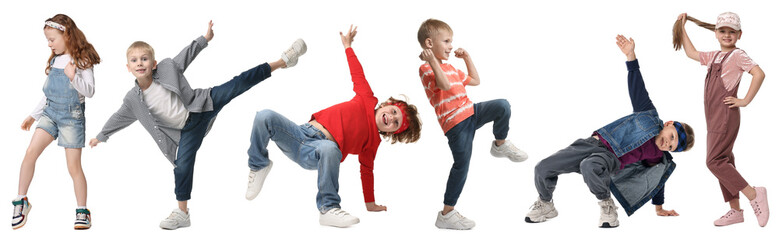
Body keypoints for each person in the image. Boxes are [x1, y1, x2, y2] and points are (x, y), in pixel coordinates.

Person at [89, 21, 306, 230]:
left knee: (238, 83)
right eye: (134, 61)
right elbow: (119, 117)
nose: (140, 63)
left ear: (153, 63)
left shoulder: (166, 67)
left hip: (202, 104)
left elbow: (187, 55)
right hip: (186, 132)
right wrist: (102, 135)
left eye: (144, 59)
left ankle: (283, 61)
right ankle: (182, 213)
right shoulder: (132, 100)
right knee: (182, 166)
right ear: (128, 67)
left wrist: (205, 39)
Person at [244, 25, 422, 228]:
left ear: (392, 133)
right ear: (386, 105)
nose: (391, 117)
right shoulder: (367, 98)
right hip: (299, 134)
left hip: (318, 152)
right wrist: (348, 46)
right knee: (264, 116)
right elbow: (357, 73)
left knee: (330, 148)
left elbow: (367, 171)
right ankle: (258, 165)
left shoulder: (372, 143)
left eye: (396, 123)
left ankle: (328, 208)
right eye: (393, 111)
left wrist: (370, 204)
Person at [526, 35, 695, 228]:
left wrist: (659, 207)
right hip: (591, 143)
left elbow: (656, 179)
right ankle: (546, 204)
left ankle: (607, 206)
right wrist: (631, 57)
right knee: (542, 167)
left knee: (589, 166)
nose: (667, 144)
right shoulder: (648, 115)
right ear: (669, 124)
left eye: (672, 147)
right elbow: (638, 88)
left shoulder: (657, 155)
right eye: (671, 137)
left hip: (609, 158)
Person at [417, 18, 528, 230]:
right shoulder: (425, 69)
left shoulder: (450, 67)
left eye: (452, 42)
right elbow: (444, 84)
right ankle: (446, 214)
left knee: (502, 105)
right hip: (456, 125)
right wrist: (432, 62)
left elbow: (475, 81)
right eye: (447, 41)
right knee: (462, 166)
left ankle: (500, 144)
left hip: (472, 112)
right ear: (430, 43)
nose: (451, 46)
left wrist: (467, 57)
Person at [674, 12, 769, 227]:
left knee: (713, 161)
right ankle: (735, 211)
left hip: (725, 116)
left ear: (739, 35)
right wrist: (682, 25)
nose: (727, 35)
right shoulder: (715, 56)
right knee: (724, 161)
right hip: (713, 117)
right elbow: (690, 52)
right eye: (723, 31)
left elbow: (759, 74)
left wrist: (744, 100)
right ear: (716, 33)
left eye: (732, 32)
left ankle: (754, 194)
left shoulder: (738, 55)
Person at [12, 14, 101, 230]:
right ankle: (21, 200)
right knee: (30, 152)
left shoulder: (82, 60)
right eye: (48, 40)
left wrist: (73, 76)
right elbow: (49, 93)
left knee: (73, 166)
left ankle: (83, 211)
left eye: (52, 39)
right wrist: (34, 115)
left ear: (67, 35)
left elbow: (89, 92)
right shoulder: (54, 59)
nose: (49, 44)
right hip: (50, 113)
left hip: (72, 117)